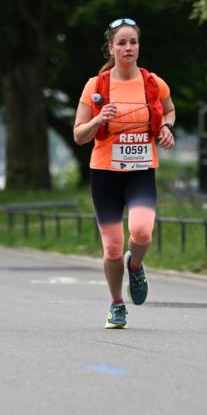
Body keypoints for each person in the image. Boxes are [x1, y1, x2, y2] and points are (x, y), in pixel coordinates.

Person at [73, 18, 175, 328]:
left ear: (138, 46)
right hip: (105, 173)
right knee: (113, 246)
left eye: (133, 42)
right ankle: (117, 303)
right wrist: (98, 118)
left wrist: (167, 127)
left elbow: (169, 109)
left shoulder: (153, 83)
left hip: (141, 170)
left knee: (142, 232)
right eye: (121, 43)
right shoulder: (96, 86)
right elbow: (79, 135)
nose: (128, 48)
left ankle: (137, 266)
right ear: (111, 48)